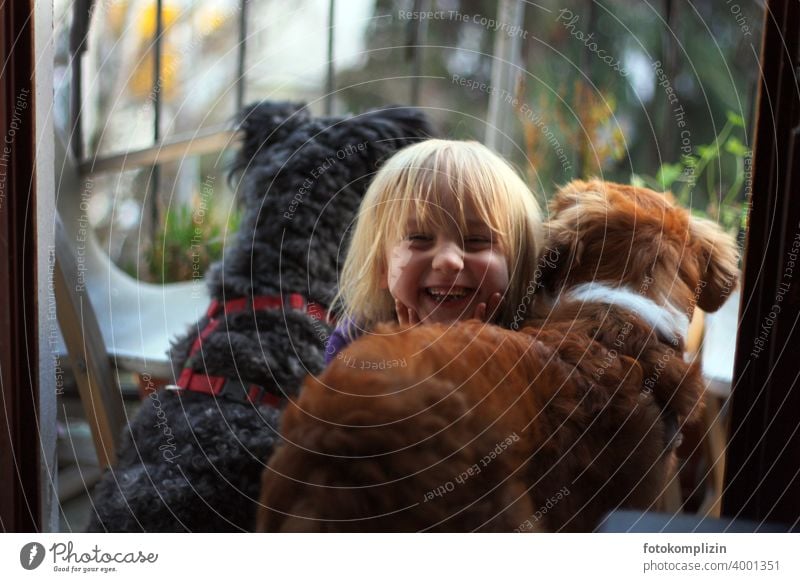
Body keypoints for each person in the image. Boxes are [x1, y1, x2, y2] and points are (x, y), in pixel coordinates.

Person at [326, 139, 543, 363]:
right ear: (382, 265)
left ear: (517, 263)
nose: (448, 260)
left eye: (477, 240)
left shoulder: (536, 352)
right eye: (419, 238)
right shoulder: (355, 344)